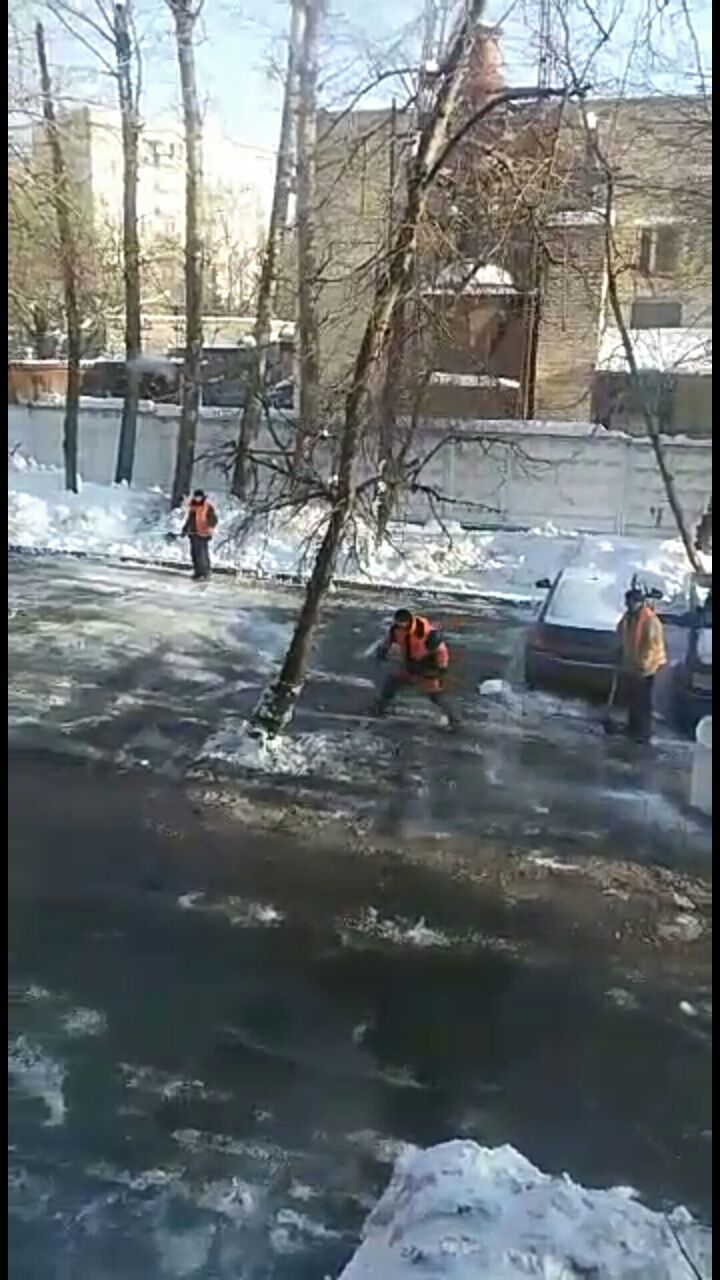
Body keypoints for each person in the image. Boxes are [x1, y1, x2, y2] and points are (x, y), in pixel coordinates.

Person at [374, 608, 460, 727]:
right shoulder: (396, 629)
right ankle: (380, 707)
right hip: (410, 664)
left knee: (435, 695)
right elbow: (389, 640)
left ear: (408, 621)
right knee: (392, 681)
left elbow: (441, 651)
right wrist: (382, 651)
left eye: (401, 623)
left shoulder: (425, 632)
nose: (399, 626)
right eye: (397, 623)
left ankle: (454, 719)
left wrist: (441, 668)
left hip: (427, 666)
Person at [616, 586, 667, 743]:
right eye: (627, 602)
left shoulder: (650, 620)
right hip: (632, 663)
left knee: (643, 700)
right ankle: (632, 727)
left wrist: (643, 665)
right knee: (633, 697)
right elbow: (622, 633)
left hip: (647, 666)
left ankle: (643, 732)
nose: (629, 605)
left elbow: (652, 645)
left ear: (639, 603)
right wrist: (621, 652)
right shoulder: (628, 617)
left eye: (632, 602)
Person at [182, 489, 218, 581]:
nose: (197, 499)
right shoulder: (193, 507)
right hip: (194, 534)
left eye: (199, 497)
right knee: (194, 554)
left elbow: (213, 519)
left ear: (202, 497)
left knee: (202, 554)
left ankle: (205, 572)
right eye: (196, 497)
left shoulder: (208, 507)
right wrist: (185, 529)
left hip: (204, 534)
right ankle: (197, 572)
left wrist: (210, 526)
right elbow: (190, 519)